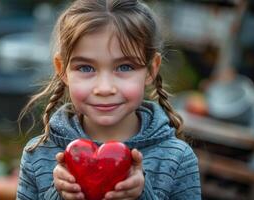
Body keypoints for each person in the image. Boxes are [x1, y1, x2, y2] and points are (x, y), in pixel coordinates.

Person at [16, 0, 201, 199]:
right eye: (86, 68)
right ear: (62, 70)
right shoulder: (38, 155)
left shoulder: (177, 159)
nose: (104, 88)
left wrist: (141, 196)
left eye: (124, 67)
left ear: (151, 69)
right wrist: (58, 195)